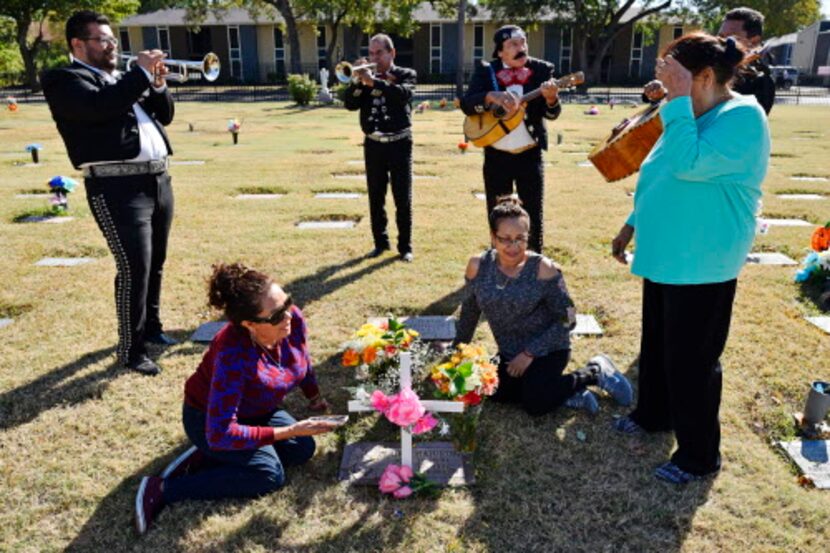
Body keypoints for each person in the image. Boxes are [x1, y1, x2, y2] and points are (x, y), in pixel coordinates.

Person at [610, 33, 770, 485]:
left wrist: (676, 102)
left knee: (693, 362)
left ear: (703, 77)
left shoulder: (743, 117)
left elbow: (688, 164)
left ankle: (699, 457)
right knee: (658, 346)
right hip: (667, 252)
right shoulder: (686, 112)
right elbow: (660, 173)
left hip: (704, 261)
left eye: (674, 75)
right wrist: (631, 223)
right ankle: (653, 415)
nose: (664, 85)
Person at [134, 263, 335, 534]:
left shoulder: (293, 319)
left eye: (288, 303)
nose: (288, 315)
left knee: (302, 449)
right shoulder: (232, 353)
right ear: (249, 324)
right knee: (268, 475)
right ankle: (165, 488)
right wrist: (289, 429)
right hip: (208, 419)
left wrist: (314, 398)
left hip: (256, 410)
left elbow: (301, 360)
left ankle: (212, 457)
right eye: (276, 315)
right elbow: (221, 432)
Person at [41, 10, 177, 376]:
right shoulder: (65, 79)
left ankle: (152, 329)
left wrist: (158, 85)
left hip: (157, 179)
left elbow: (163, 116)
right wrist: (140, 75)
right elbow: (98, 109)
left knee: (156, 263)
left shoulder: (121, 79)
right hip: (116, 185)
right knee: (134, 267)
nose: (112, 45)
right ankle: (131, 350)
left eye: (113, 39)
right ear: (78, 44)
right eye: (103, 39)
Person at [453, 196, 633, 417]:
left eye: (520, 238)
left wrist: (530, 353)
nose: (513, 246)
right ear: (493, 237)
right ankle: (563, 392)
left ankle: (595, 372)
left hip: (549, 349)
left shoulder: (543, 268)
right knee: (487, 388)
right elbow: (470, 312)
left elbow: (569, 318)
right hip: (509, 352)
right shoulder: (478, 266)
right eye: (505, 239)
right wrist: (457, 351)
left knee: (535, 403)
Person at [461, 25, 563, 253]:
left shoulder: (542, 70)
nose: (521, 48)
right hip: (496, 154)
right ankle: (499, 261)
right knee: (497, 211)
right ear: (500, 52)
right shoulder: (487, 70)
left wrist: (551, 99)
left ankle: (534, 262)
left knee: (533, 212)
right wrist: (490, 96)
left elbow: (552, 114)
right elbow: (468, 104)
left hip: (529, 153)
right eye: (513, 45)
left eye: (523, 42)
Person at [343, 33, 417, 263]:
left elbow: (403, 95)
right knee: (376, 195)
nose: (374, 57)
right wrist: (357, 81)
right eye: (371, 53)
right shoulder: (365, 79)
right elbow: (350, 104)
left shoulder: (406, 74)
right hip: (374, 144)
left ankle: (405, 246)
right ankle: (380, 243)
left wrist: (374, 82)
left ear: (391, 53)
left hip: (400, 143)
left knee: (402, 196)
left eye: (379, 53)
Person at [718, 7, 775, 114]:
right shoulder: (708, 67)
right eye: (721, 37)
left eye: (731, 38)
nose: (722, 43)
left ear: (754, 41)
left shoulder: (760, 82)